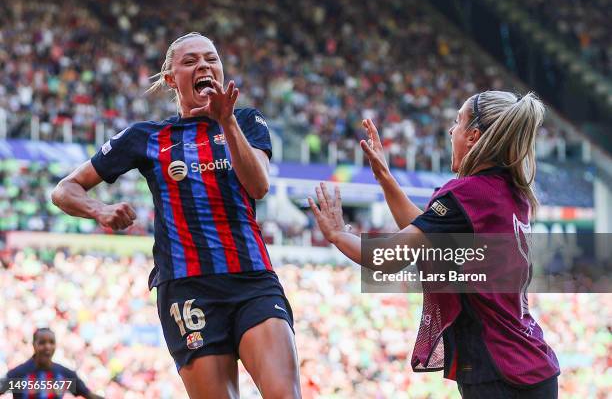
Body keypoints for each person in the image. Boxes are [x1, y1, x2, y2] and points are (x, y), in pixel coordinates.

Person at [51, 32, 301, 399]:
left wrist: (226, 122)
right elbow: (64, 190)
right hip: (186, 288)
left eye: (211, 58)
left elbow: (259, 185)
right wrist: (100, 209)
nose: (203, 65)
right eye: (190, 61)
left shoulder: (245, 121)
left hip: (251, 278)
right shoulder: (147, 137)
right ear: (171, 78)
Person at [309, 91, 559, 398]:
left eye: (457, 122)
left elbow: (390, 257)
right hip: (531, 367)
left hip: (499, 373)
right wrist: (386, 178)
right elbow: (429, 239)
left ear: (474, 136)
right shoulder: (507, 192)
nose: (452, 131)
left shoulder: (469, 194)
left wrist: (337, 234)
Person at [0, 328, 103, 398]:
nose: (47, 347)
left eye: (51, 342)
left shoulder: (65, 375)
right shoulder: (18, 374)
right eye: (42, 342)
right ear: (33, 345)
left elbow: (88, 395)